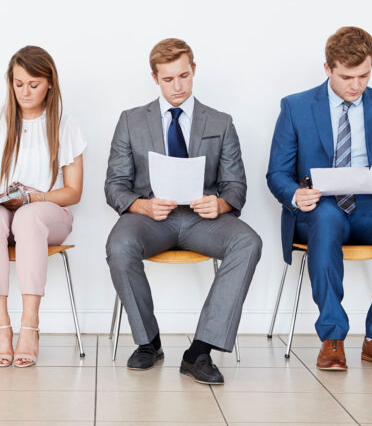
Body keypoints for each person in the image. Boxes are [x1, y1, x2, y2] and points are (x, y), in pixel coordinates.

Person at [266, 26, 372, 371]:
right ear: (327, 69)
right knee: (326, 218)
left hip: (371, 207)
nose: (356, 85)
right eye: (346, 77)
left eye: (364, 75)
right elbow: (276, 173)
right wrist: (295, 195)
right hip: (320, 208)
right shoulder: (296, 107)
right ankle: (332, 337)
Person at [104, 38, 262, 385]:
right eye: (168, 79)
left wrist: (220, 203)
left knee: (248, 242)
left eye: (184, 76)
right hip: (148, 219)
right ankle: (148, 342)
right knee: (119, 246)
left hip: (201, 220)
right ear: (154, 78)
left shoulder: (220, 122)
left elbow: (237, 186)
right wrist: (142, 204)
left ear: (194, 71)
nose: (178, 86)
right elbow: (114, 185)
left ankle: (199, 352)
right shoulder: (131, 121)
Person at [0, 46, 85, 367]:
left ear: (49, 84)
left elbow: (73, 191)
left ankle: (30, 327)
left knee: (28, 216)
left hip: (46, 214)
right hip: (3, 215)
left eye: (33, 84)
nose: (25, 92)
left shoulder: (65, 124)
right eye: (18, 84)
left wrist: (33, 197)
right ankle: (2, 327)